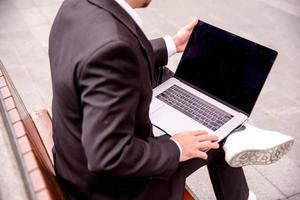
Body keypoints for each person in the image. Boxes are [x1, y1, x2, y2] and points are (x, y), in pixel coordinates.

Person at [49, 0, 293, 199]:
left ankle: (232, 126)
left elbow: (111, 55)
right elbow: (108, 156)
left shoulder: (77, 5)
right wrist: (176, 148)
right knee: (216, 139)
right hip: (113, 192)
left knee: (160, 75)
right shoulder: (113, 50)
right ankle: (237, 135)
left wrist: (172, 44)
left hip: (73, 163)